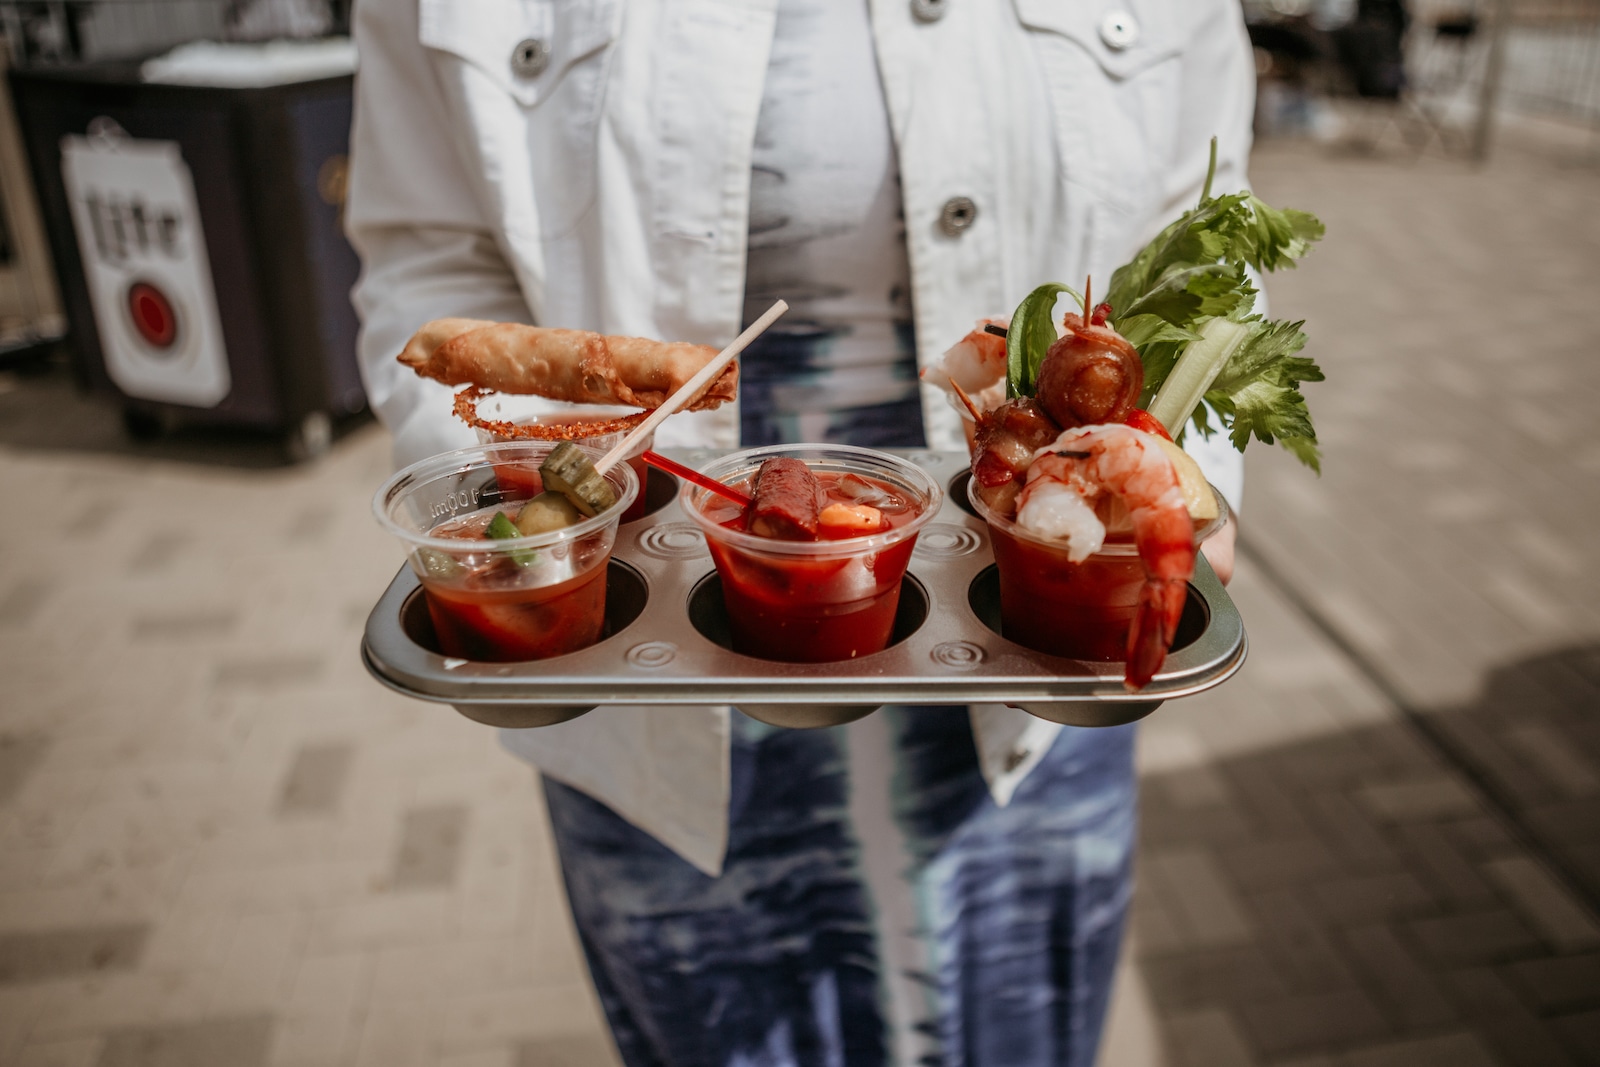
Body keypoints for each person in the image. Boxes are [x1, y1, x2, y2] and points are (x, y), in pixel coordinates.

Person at [347, 2, 1253, 1064]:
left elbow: (1205, 212)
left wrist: (1192, 490)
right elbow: (427, 257)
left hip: (1028, 672)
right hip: (649, 689)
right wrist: (529, 521)